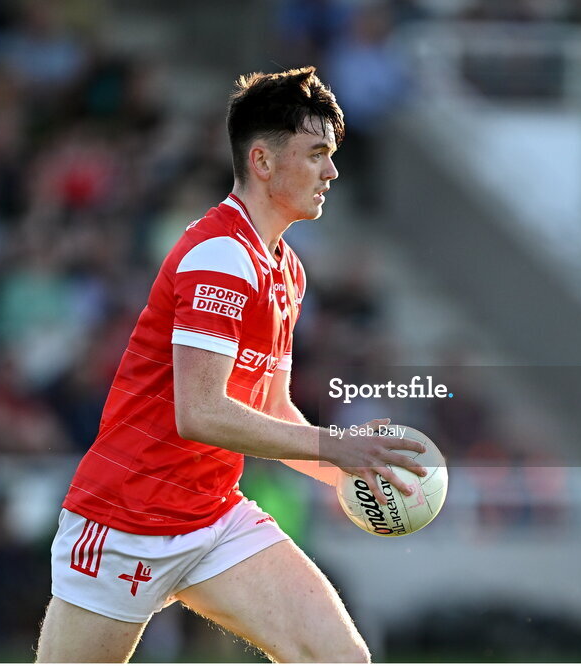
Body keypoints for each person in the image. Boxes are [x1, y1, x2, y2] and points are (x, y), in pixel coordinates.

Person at [34, 66, 428, 663]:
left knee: (341, 658)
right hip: (124, 519)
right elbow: (202, 413)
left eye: (333, 154)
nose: (332, 171)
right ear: (263, 162)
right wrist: (333, 447)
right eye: (317, 152)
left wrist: (354, 471)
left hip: (213, 516)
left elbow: (267, 407)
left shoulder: (287, 270)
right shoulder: (220, 255)